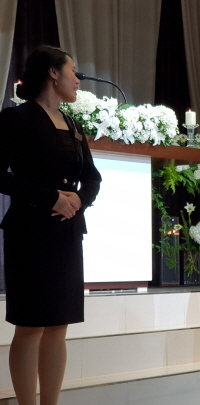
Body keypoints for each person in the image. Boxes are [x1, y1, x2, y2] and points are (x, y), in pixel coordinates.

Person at [0, 46, 102, 405]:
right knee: (31, 326)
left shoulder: (72, 124)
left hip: (67, 233)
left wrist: (79, 199)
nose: (78, 79)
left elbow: (92, 177)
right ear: (52, 73)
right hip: (30, 232)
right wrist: (50, 198)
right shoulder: (16, 118)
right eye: (72, 71)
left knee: (58, 325)